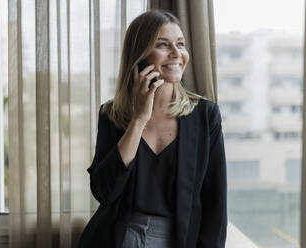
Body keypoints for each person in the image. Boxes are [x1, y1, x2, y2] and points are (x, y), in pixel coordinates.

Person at [78, 9, 227, 248]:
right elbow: (104, 192)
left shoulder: (205, 115)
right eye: (163, 45)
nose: (177, 54)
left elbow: (215, 201)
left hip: (178, 239)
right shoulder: (112, 114)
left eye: (180, 44)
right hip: (119, 238)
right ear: (140, 55)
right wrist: (138, 119)